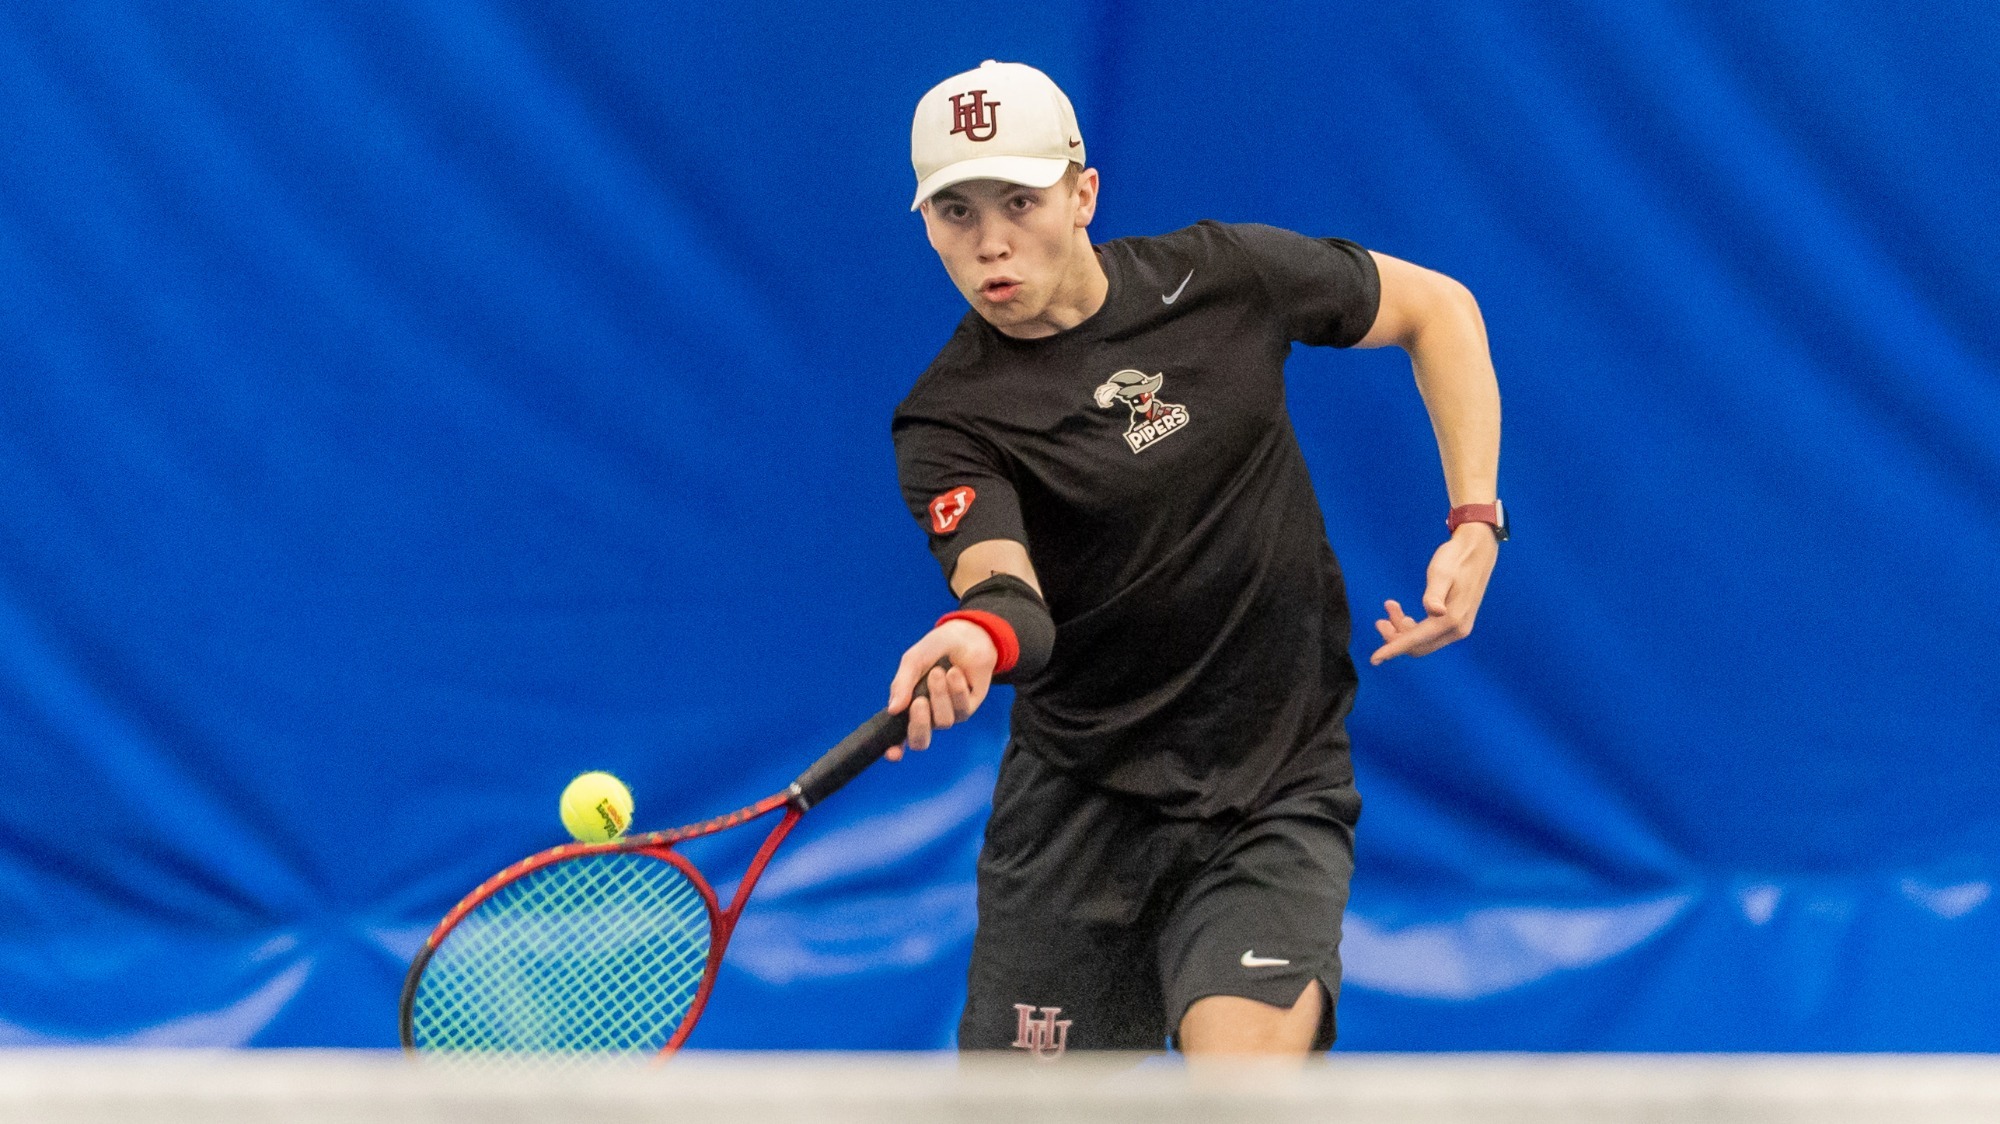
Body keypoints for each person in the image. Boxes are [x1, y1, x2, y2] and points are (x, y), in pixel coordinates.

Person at [883, 60, 1504, 1059]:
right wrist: (973, 630)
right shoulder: (949, 416)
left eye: (1019, 200)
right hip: (1079, 813)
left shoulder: (1218, 279)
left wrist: (1474, 519)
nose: (991, 241)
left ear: (1082, 194)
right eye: (955, 210)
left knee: (1238, 1091)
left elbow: (1439, 311)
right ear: (925, 225)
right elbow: (1008, 595)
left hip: (1271, 782)